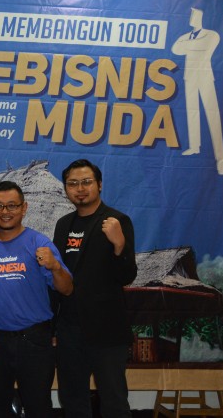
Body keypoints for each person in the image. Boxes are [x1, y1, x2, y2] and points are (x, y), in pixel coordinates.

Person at [52, 159, 137, 418]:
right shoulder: (63, 225)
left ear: (99, 184)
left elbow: (127, 276)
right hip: (70, 329)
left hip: (107, 330)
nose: (80, 189)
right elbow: (58, 276)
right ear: (66, 188)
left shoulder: (117, 221)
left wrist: (119, 246)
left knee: (114, 401)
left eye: (86, 182)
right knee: (72, 399)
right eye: (73, 183)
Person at [0, 180, 73, 418]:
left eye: (12, 205)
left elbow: (67, 289)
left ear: (24, 208)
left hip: (34, 341)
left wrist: (55, 267)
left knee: (38, 407)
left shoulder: (39, 243)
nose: (5, 212)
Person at [171, 7, 223, 175]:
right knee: (192, 112)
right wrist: (195, 47)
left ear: (201, 17)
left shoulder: (211, 34)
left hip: (205, 77)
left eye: (195, 15)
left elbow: (206, 48)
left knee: (212, 114)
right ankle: (194, 146)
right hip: (190, 77)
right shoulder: (185, 36)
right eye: (191, 15)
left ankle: (221, 158)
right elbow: (175, 49)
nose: (192, 18)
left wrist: (189, 47)